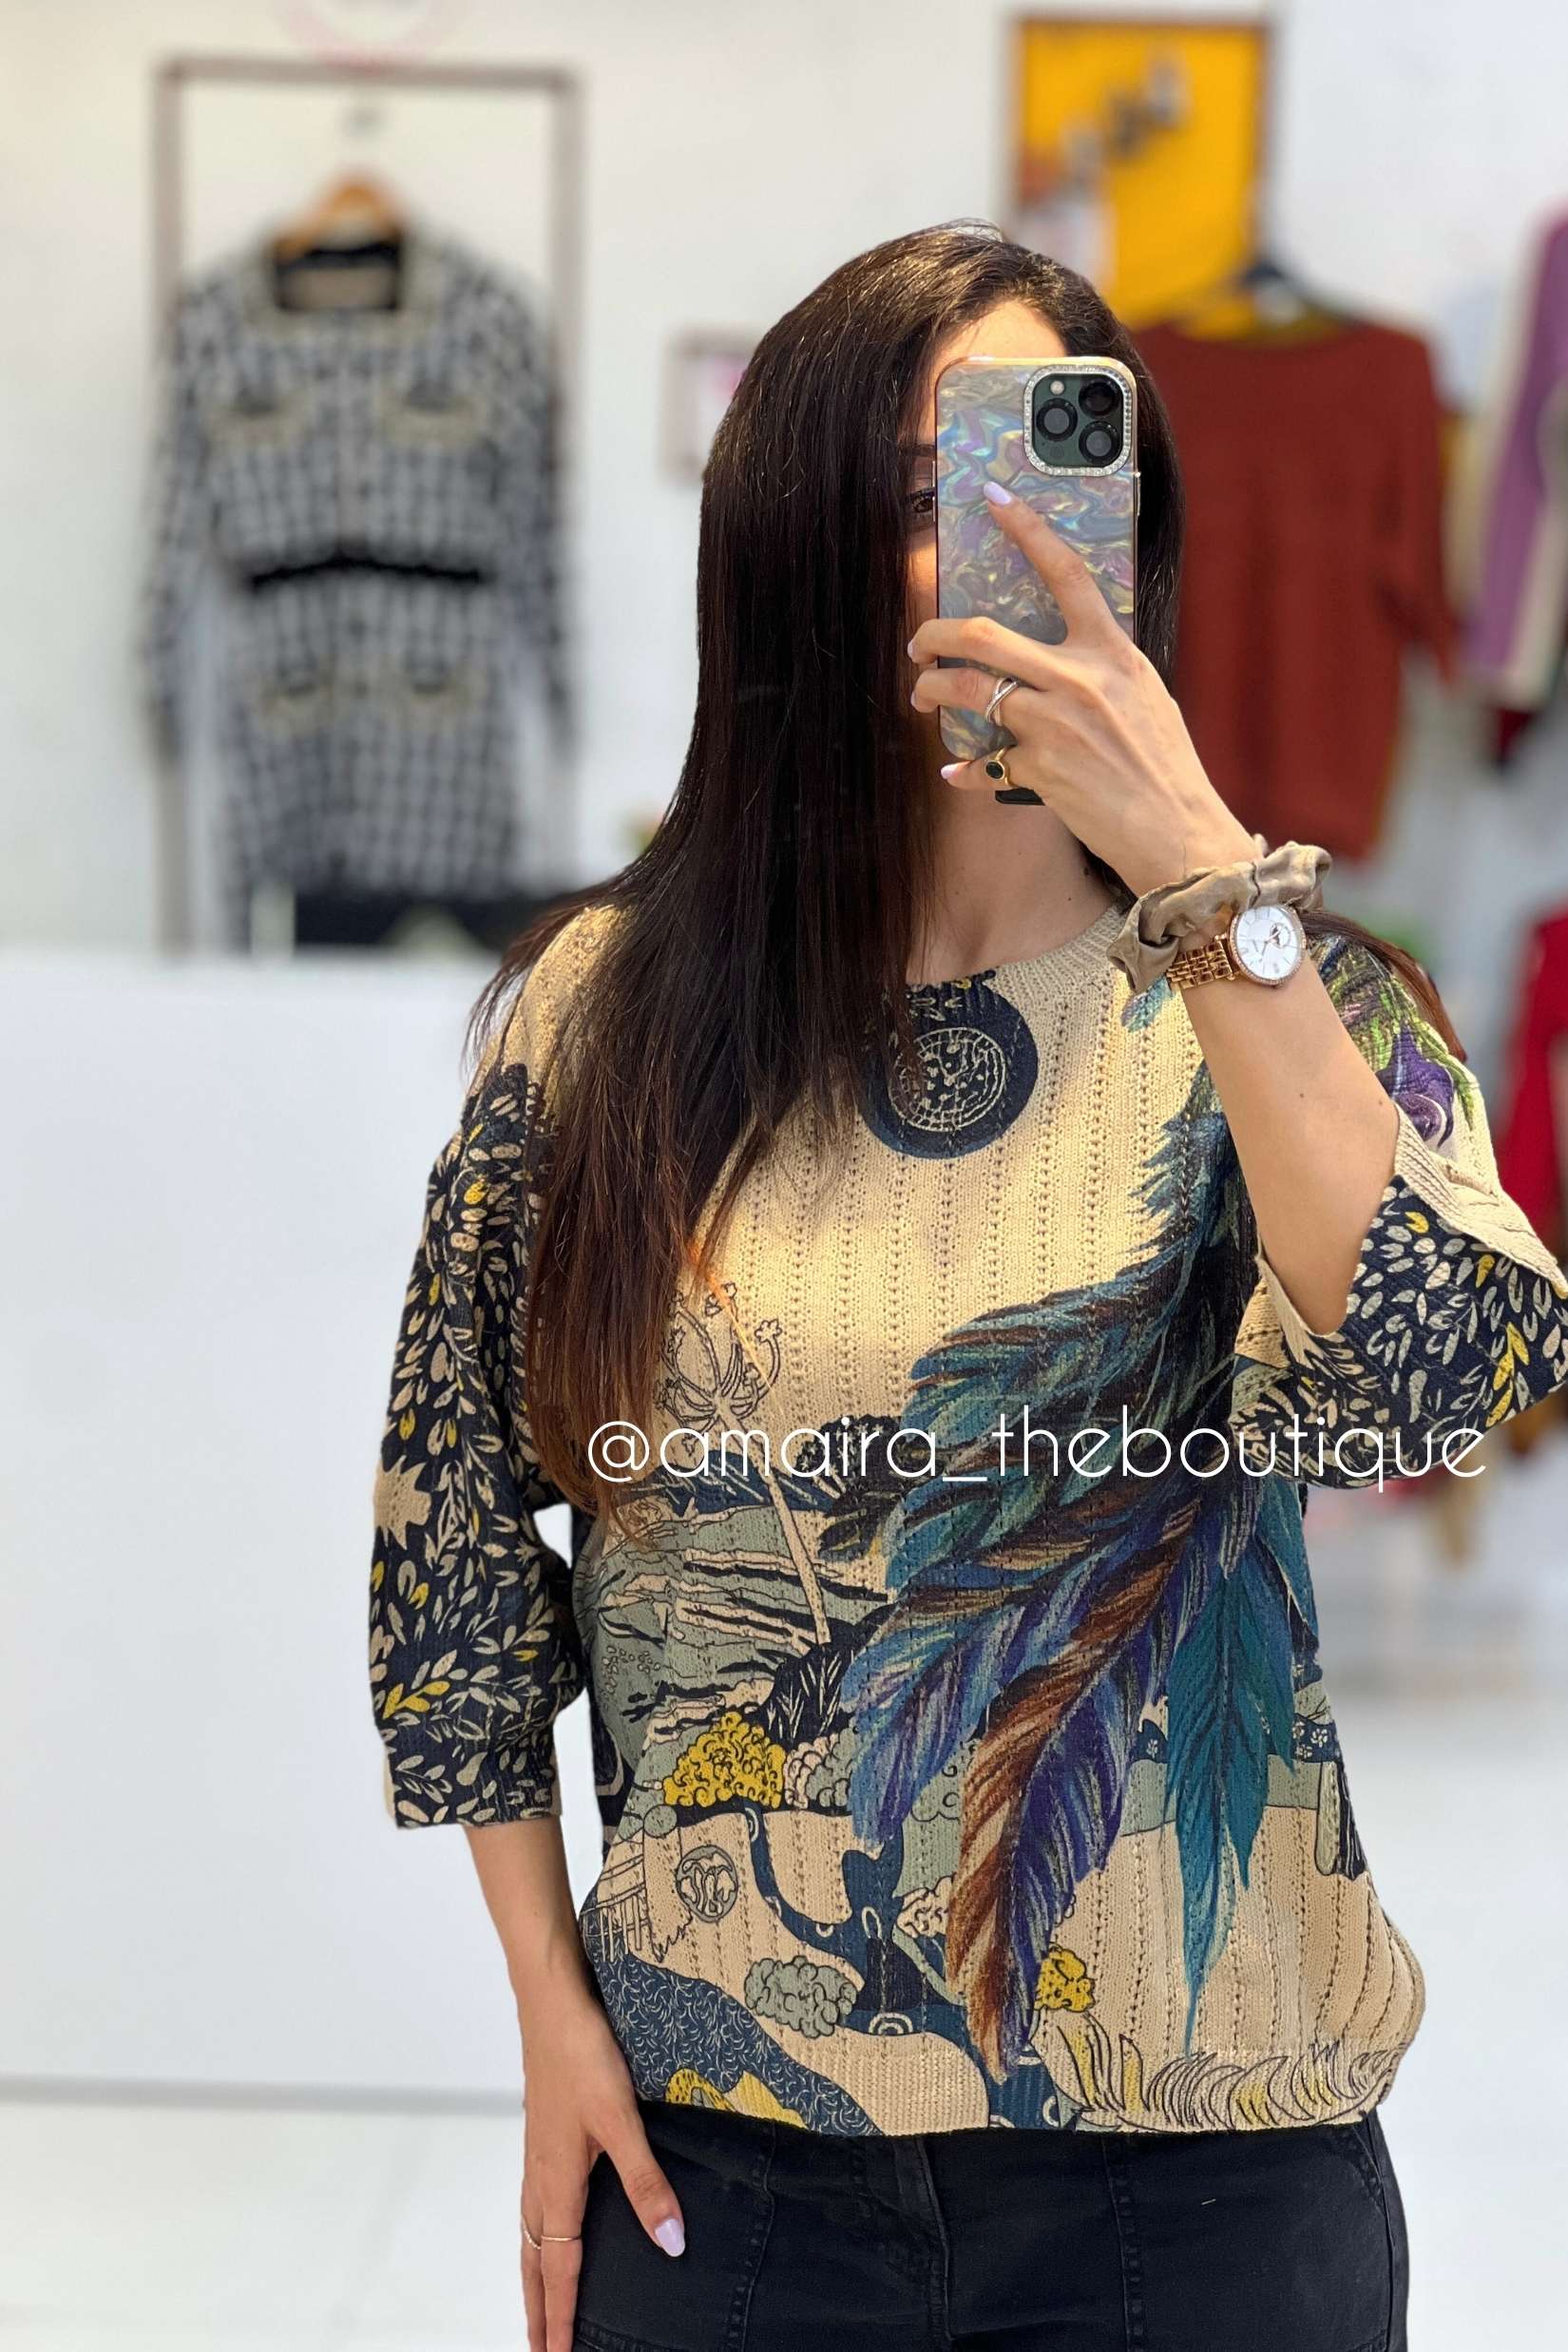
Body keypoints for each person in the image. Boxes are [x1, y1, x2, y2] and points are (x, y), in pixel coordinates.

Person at [367, 224, 1568, 2352]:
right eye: (916, 493)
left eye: (1048, 476)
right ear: (787, 548)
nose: (988, 550)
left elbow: (1441, 1386)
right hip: (724, 2162)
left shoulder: (1288, 998)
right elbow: (450, 1569)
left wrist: (1201, 876)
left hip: (1206, 2171)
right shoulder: (604, 1017)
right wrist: (550, 2019)